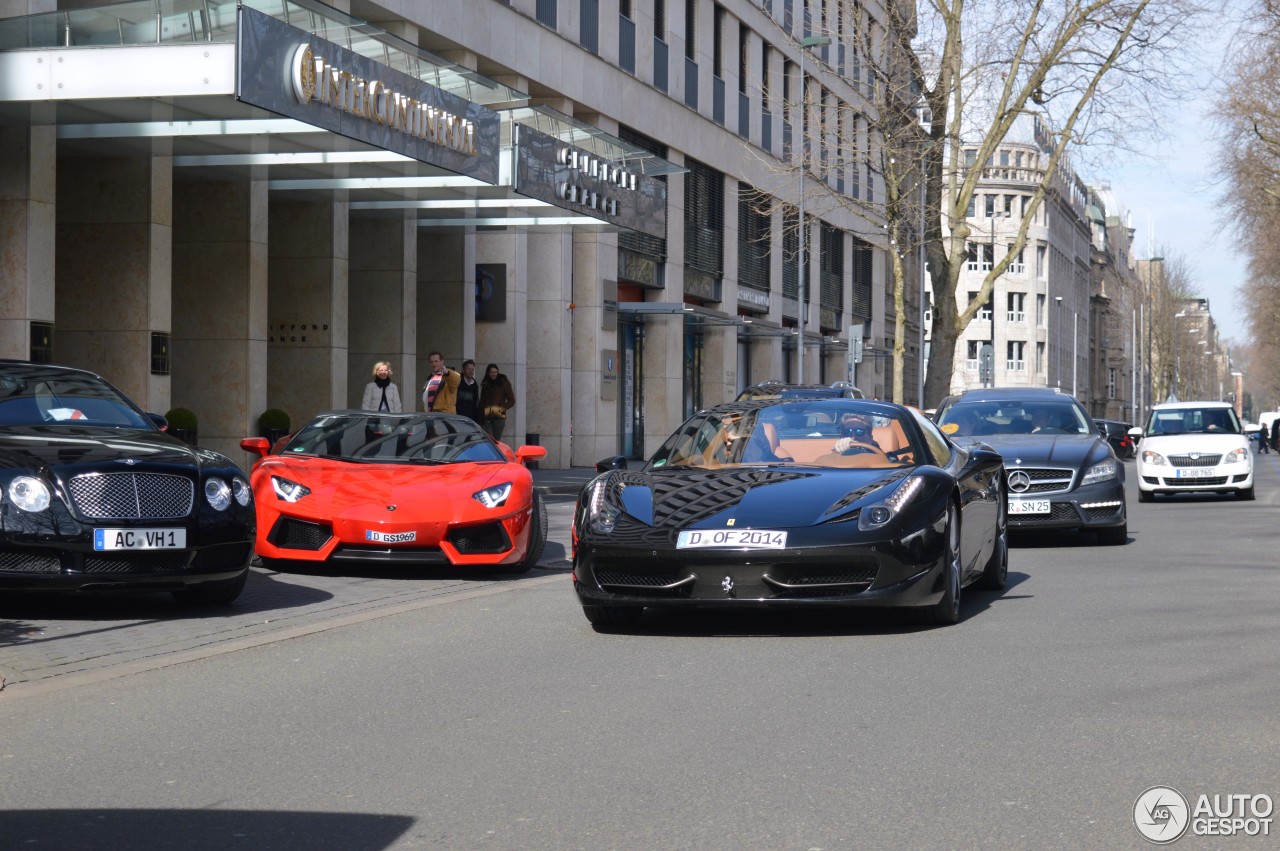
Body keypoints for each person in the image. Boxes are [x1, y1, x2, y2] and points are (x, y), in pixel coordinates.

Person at [479, 363, 516, 441]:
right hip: (487, 417)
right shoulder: (485, 383)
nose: (494, 374)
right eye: (492, 372)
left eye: (495, 372)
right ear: (488, 373)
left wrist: (501, 408)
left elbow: (512, 401)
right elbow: (482, 401)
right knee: (489, 440)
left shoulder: (503, 382)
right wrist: (481, 418)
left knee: (496, 441)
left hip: (499, 417)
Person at [455, 359, 483, 424]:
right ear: (464, 370)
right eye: (468, 369)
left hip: (470, 418)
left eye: (472, 369)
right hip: (458, 417)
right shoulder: (458, 382)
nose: (471, 371)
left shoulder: (475, 385)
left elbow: (476, 403)